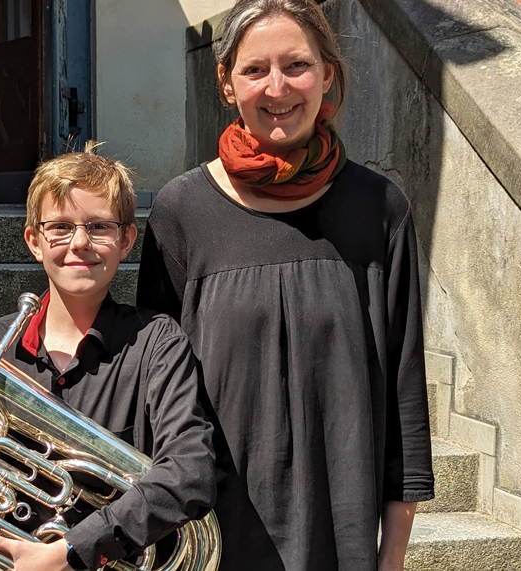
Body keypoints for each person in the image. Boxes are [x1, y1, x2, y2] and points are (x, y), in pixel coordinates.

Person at [136, 1, 434, 570]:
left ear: (327, 73)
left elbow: (404, 399)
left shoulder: (379, 208)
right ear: (226, 84)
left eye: (296, 65)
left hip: (341, 535)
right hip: (215, 536)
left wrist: (391, 558)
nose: (278, 87)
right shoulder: (181, 212)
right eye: (254, 70)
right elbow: (151, 391)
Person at [0, 143, 216, 571]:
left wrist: (70, 552)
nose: (80, 243)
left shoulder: (156, 342)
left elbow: (190, 469)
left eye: (99, 226)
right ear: (34, 241)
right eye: (60, 227)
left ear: (127, 239)